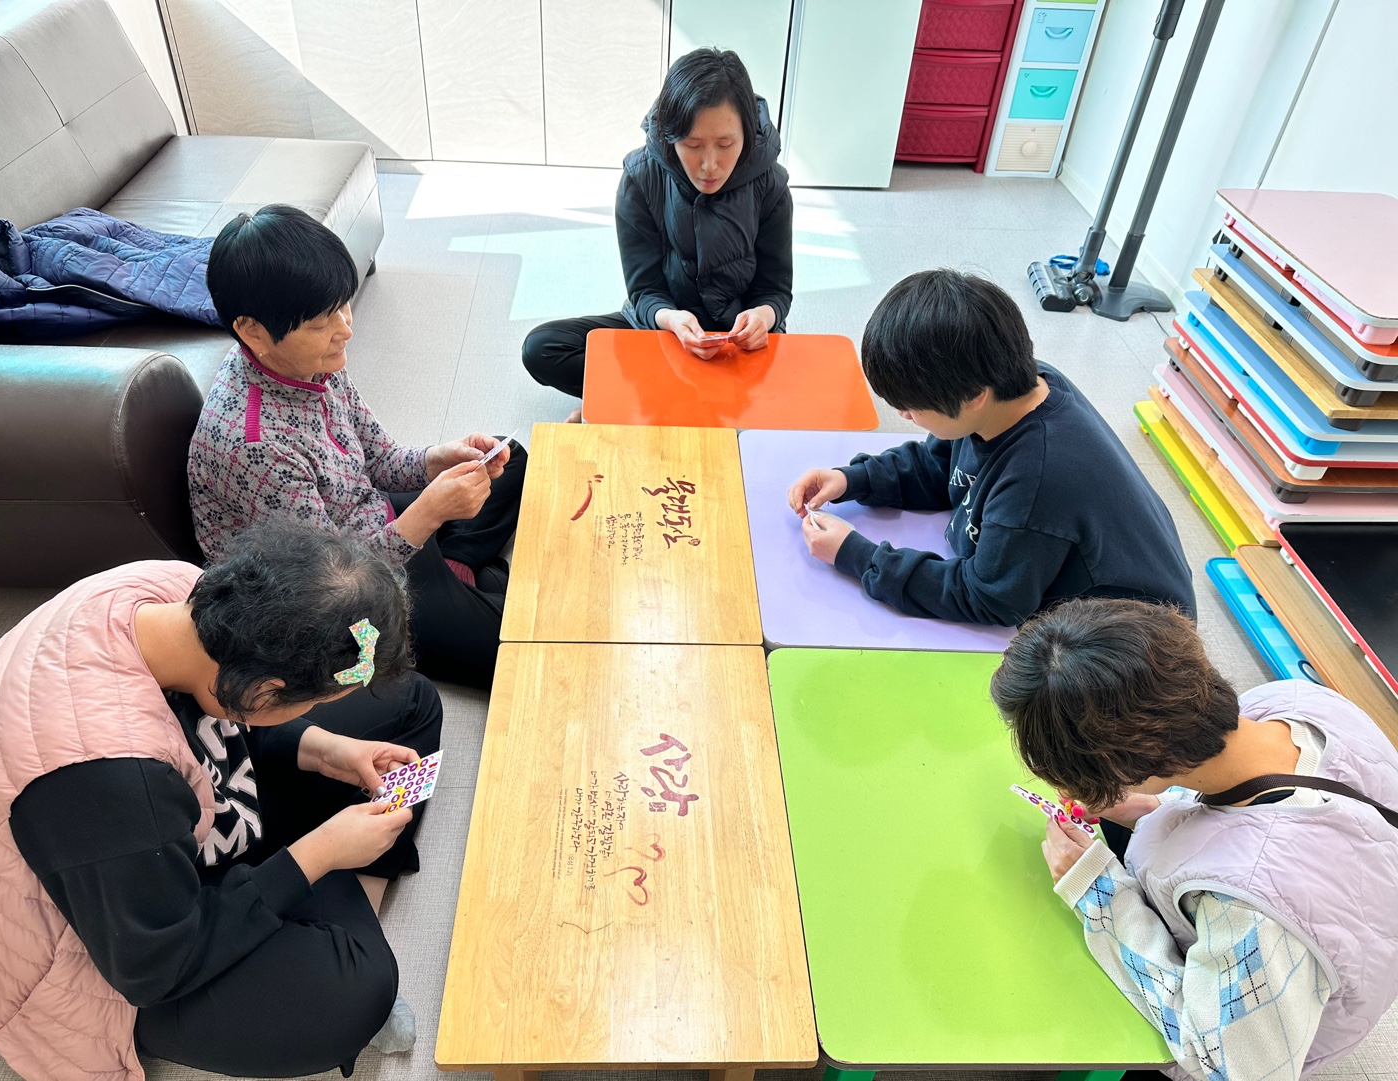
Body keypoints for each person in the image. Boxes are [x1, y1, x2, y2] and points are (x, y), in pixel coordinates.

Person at [0, 521, 445, 1079]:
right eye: (309, 705)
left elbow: (221, 719)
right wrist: (320, 854)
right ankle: (330, 908)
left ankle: (325, 907)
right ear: (265, 692)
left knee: (409, 703)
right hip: (103, 939)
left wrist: (323, 748)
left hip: (154, 824)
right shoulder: (112, 780)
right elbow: (154, 965)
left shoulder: (176, 591)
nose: (314, 713)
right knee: (353, 995)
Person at [991, 598, 1398, 1081]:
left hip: (1267, 1023)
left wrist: (1097, 892)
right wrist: (1156, 806)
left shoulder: (1248, 905)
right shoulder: (1297, 703)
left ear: (1123, 767)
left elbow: (1228, 1066)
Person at [190, 203, 524, 689]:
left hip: (372, 525)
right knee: (521, 646)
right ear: (252, 330)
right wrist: (429, 513)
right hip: (340, 596)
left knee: (510, 461)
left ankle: (453, 571)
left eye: (343, 306)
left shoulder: (308, 362)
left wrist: (437, 458)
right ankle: (450, 581)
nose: (345, 328)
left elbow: (380, 459)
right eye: (321, 322)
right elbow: (333, 583)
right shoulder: (253, 445)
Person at [787, 268, 1194, 626]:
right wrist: (851, 479)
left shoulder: (1038, 476)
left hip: (1126, 644)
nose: (904, 415)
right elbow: (937, 467)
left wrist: (857, 556)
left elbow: (986, 598)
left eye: (912, 407)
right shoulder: (1012, 385)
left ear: (973, 397)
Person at [521, 47, 794, 412]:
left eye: (725, 144)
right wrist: (672, 320)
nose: (710, 165)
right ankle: (693, 398)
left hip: (737, 347)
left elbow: (775, 290)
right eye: (693, 145)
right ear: (671, 134)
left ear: (745, 133)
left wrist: (763, 317)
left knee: (799, 390)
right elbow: (645, 289)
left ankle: (659, 398)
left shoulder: (770, 183)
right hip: (663, 334)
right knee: (542, 348)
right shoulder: (641, 176)